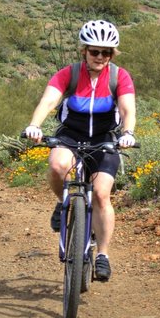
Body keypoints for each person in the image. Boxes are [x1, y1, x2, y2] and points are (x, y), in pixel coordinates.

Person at [24, 20, 137, 282]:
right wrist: (34, 126)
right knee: (57, 166)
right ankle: (63, 200)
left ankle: (103, 255)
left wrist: (128, 133)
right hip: (71, 135)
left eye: (106, 53)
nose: (100, 57)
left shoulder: (119, 76)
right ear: (84, 51)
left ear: (112, 54)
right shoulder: (69, 73)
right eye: (95, 51)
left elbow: (127, 109)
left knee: (100, 194)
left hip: (105, 138)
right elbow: (49, 100)